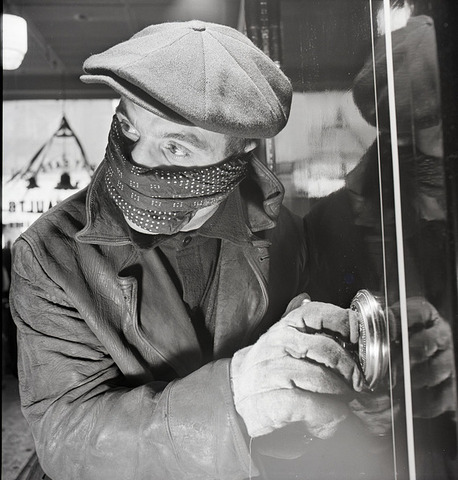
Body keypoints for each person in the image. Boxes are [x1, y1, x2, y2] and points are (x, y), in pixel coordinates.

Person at [10, 21, 392, 480]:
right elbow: (67, 438)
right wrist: (236, 396)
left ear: (240, 151)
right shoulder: (51, 254)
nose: (138, 162)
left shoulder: (284, 235)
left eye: (176, 147)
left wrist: (344, 391)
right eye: (129, 130)